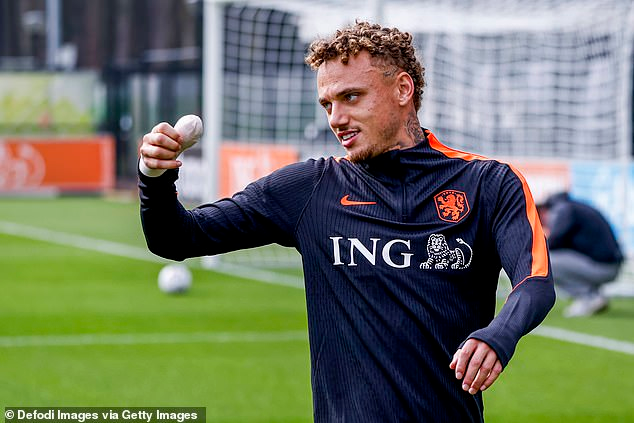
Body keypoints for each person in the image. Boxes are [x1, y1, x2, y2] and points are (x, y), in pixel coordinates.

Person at [138, 21, 555, 423]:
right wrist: (154, 177)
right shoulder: (310, 188)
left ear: (403, 89)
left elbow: (535, 282)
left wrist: (499, 334)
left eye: (351, 97)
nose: (336, 118)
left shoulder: (488, 184)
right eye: (327, 104)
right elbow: (177, 238)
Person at [537, 192, 623, 318]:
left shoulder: (562, 210)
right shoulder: (574, 207)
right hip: (608, 265)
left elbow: (553, 242)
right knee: (551, 258)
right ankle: (593, 295)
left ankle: (589, 297)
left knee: (545, 262)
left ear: (543, 211)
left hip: (603, 267)